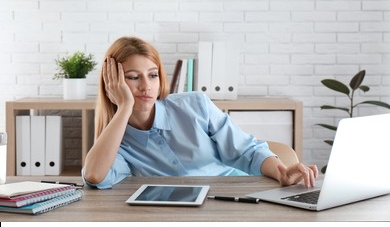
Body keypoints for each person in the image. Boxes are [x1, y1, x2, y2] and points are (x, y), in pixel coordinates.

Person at [82, 36, 318, 189]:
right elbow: (94, 175)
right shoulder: (116, 142)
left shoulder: (195, 105)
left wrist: (282, 173)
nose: (146, 86)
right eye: (133, 78)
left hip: (232, 196)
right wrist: (124, 107)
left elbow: (247, 150)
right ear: (112, 84)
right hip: (173, 217)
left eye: (153, 75)